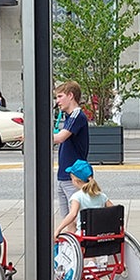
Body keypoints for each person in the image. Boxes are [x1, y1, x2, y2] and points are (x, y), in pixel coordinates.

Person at [52, 80, 90, 215]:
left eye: (60, 96)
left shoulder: (76, 115)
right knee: (67, 217)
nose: (57, 101)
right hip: (64, 176)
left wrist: (34, 136)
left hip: (73, 177)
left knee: (75, 217)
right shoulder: (69, 116)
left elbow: (60, 138)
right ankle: (69, 236)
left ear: (71, 96)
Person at [53, 159, 111, 237]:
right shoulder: (101, 195)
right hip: (99, 235)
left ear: (76, 181)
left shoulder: (77, 197)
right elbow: (113, 210)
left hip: (83, 236)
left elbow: (73, 214)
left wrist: (58, 229)